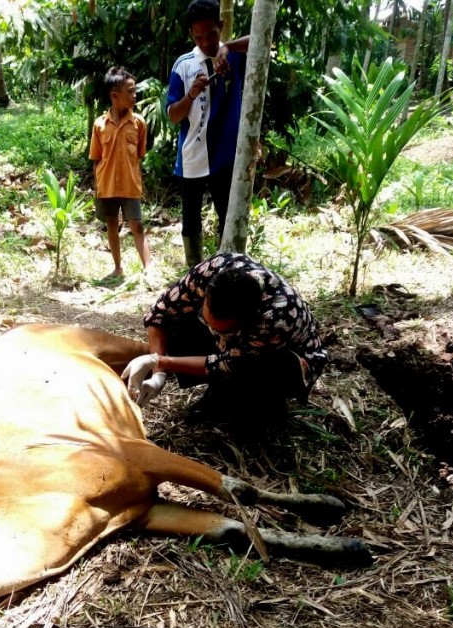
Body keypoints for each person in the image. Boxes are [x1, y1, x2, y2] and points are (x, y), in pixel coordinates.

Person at [121, 253, 328, 430]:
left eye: (223, 329)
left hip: (286, 361)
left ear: (246, 319)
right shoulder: (211, 271)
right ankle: (222, 392)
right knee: (179, 321)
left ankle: (262, 403)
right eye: (207, 318)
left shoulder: (276, 318)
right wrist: (159, 375)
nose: (212, 329)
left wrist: (158, 361)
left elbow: (229, 365)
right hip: (236, 348)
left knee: (254, 401)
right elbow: (161, 312)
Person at [168, 0, 249, 267]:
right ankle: (195, 271)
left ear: (221, 26)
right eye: (198, 36)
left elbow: (261, 40)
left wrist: (228, 46)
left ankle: (228, 269)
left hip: (226, 156)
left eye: (211, 34)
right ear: (191, 34)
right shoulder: (184, 66)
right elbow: (172, 115)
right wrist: (190, 95)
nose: (205, 42)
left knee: (228, 216)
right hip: (192, 155)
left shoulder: (233, 56)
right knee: (191, 222)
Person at [89, 66, 151, 279]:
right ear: (115, 96)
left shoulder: (139, 123)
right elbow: (96, 159)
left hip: (130, 184)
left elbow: (139, 155)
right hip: (106, 185)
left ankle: (148, 268)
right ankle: (117, 267)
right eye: (130, 92)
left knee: (137, 224)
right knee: (112, 224)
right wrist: (96, 188)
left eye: (135, 91)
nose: (135, 96)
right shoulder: (99, 125)